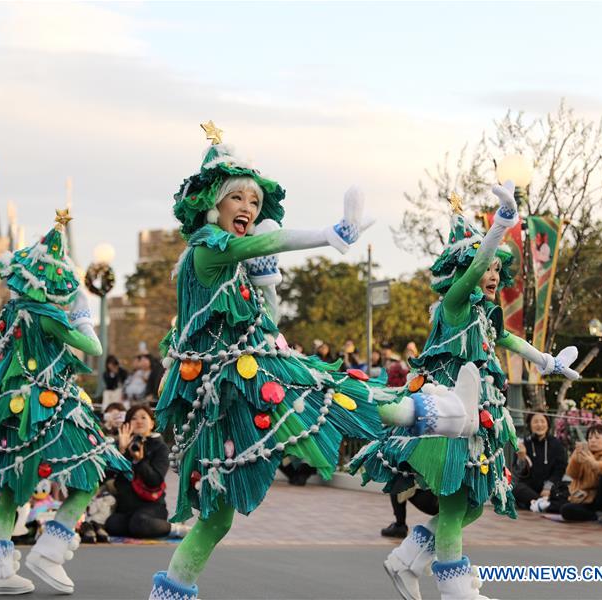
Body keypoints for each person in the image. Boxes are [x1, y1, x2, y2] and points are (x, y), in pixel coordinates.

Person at [147, 127, 472, 599]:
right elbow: (260, 245)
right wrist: (328, 234)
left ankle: (168, 593)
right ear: (210, 204)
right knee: (330, 391)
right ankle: (440, 413)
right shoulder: (206, 250)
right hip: (232, 381)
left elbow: (267, 315)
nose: (247, 208)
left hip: (239, 378)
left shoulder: (229, 263)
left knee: (216, 519)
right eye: (235, 197)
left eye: (254, 202)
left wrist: (269, 284)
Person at [350, 183, 582, 600]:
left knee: (473, 503)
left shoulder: (484, 314)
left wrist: (549, 362)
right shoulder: (455, 304)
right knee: (457, 505)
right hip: (448, 415)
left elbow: (509, 340)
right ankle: (456, 591)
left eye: (497, 269)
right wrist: (501, 226)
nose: (492, 274)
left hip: (478, 419)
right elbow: (474, 269)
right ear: (461, 271)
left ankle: (406, 561)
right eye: (487, 267)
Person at [0, 211, 130, 595]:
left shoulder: (10, 313)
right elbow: (93, 348)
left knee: (10, 491)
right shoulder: (49, 316)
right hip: (48, 406)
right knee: (88, 475)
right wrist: (81, 317)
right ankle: (50, 548)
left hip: (4, 407)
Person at [105, 405, 185, 539]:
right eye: (134, 418)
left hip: (151, 507)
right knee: (112, 525)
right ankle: (138, 526)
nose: (139, 421)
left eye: (143, 417)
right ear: (127, 424)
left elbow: (155, 480)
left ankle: (174, 528)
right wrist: (121, 453)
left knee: (139, 523)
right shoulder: (122, 445)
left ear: (152, 423)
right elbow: (108, 477)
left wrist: (140, 461)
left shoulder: (160, 447)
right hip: (126, 507)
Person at [560, 423, 602, 525]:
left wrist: (595, 464)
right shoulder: (582, 452)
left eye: (597, 438)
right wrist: (576, 460)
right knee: (565, 510)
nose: (593, 440)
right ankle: (597, 515)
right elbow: (572, 474)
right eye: (590, 438)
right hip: (586, 499)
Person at [513, 412, 567, 512]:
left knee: (563, 491)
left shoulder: (556, 444)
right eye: (535, 422)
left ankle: (539, 504)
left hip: (550, 487)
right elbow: (518, 473)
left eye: (542, 421)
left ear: (548, 424)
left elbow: (560, 469)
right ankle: (544, 503)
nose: (539, 425)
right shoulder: (524, 443)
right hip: (530, 489)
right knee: (517, 488)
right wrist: (521, 458)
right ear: (530, 425)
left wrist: (548, 487)